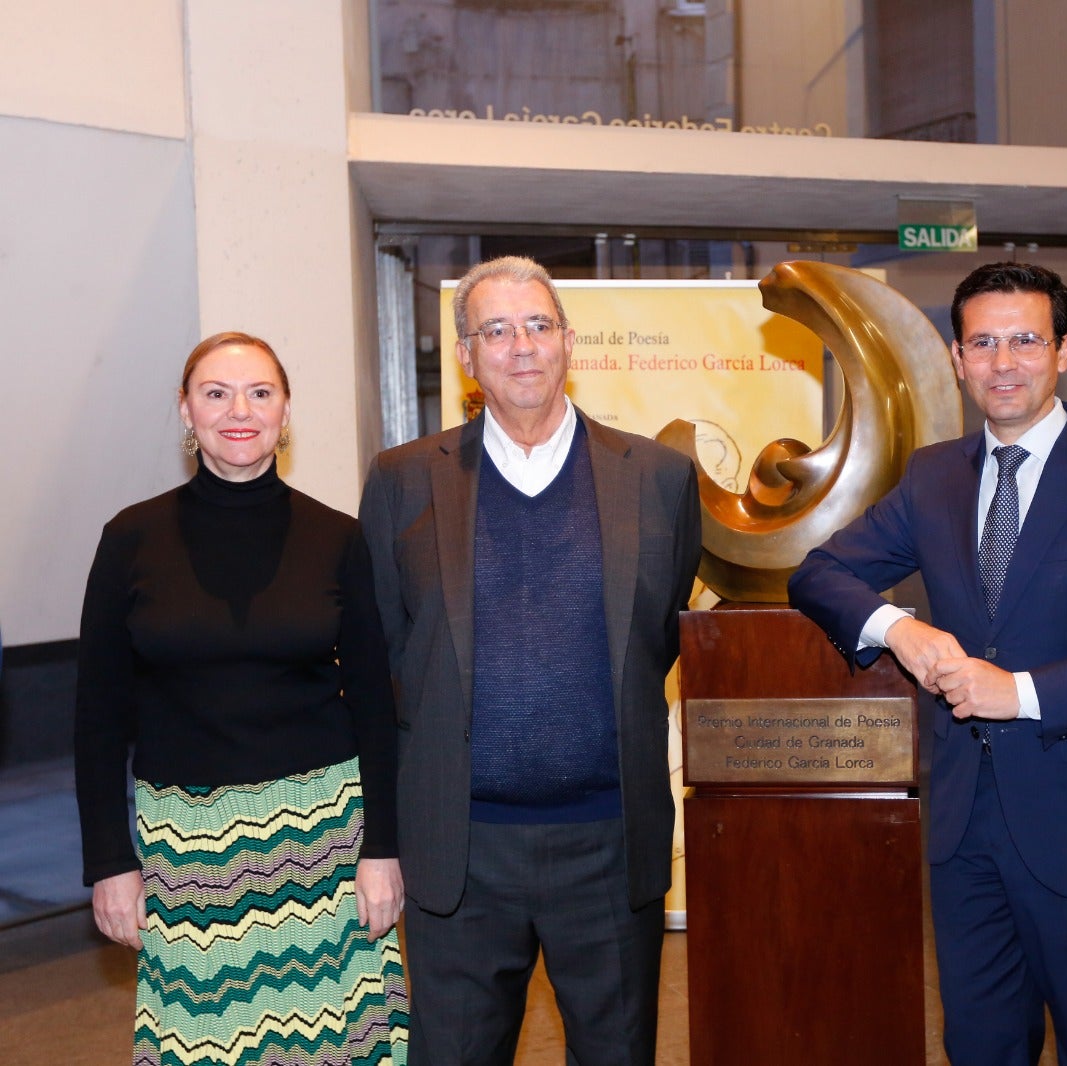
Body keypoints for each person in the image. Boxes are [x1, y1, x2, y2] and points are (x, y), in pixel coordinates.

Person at [788, 261, 1067, 1065]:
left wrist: (1018, 693)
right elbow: (819, 573)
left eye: (1025, 340)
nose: (1003, 362)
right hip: (964, 830)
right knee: (979, 1045)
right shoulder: (934, 475)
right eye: (983, 343)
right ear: (956, 356)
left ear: (1063, 351)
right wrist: (899, 630)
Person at [360, 255, 701, 1065]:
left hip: (610, 847)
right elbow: (382, 658)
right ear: (467, 355)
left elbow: (659, 634)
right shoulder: (405, 480)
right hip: (459, 853)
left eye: (538, 325)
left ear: (568, 343)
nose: (521, 346)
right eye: (497, 330)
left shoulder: (658, 477)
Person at [74, 331, 409, 1064]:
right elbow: (96, 718)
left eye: (261, 393)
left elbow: (376, 711)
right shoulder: (130, 538)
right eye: (216, 393)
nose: (240, 411)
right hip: (186, 846)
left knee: (332, 1045)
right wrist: (108, 859)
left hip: (321, 840)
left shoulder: (336, 538)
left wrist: (382, 850)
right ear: (186, 411)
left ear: (284, 414)